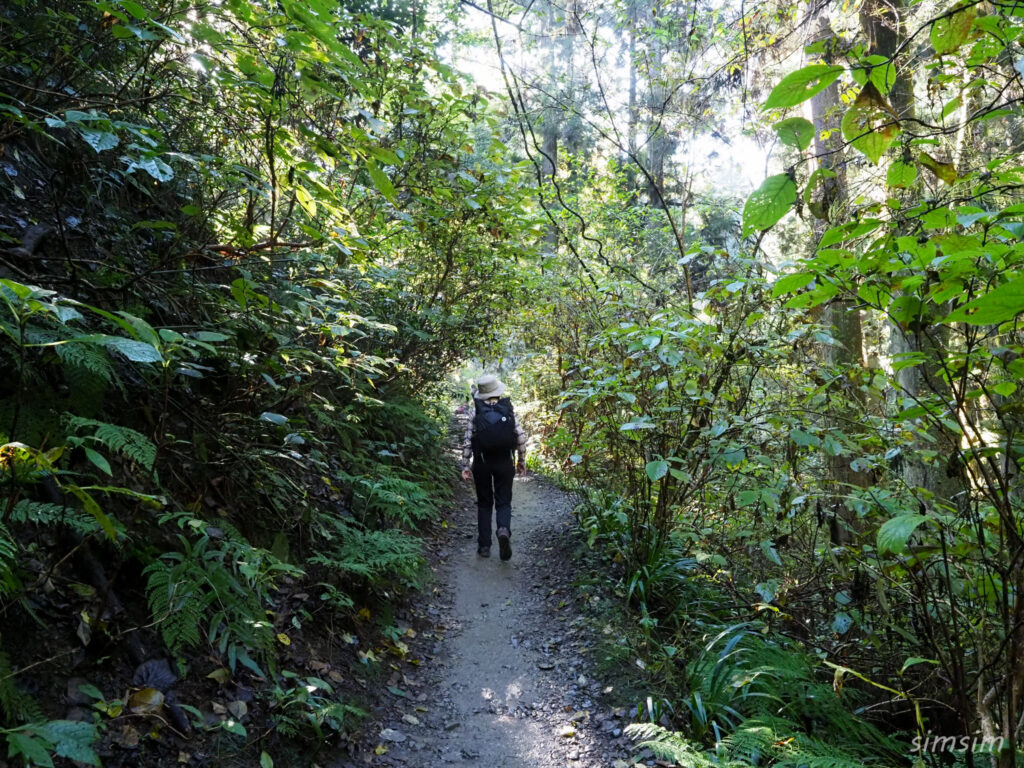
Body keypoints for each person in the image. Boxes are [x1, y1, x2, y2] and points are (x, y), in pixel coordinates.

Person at [460, 374, 526, 560]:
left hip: (482, 462)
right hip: (504, 461)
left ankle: (484, 547)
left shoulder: (475, 411)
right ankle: (503, 530)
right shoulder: (508, 409)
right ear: (497, 391)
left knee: (484, 503)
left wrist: (465, 465)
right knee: (503, 501)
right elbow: (520, 438)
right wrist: (521, 461)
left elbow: (467, 441)